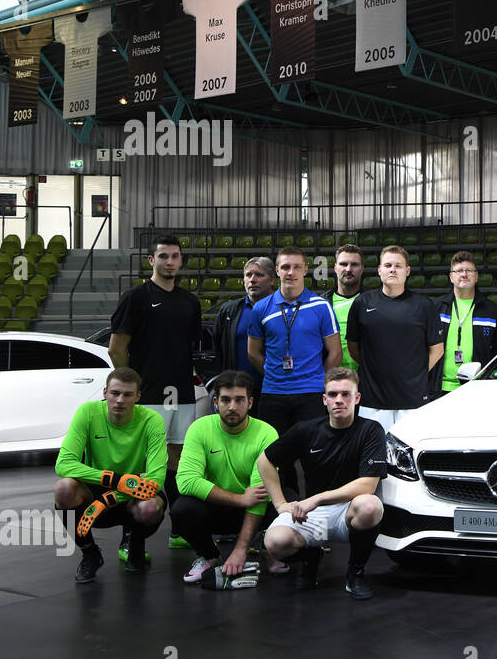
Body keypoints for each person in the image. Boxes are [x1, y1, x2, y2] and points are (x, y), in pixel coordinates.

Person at [257, 368, 388, 599]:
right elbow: (265, 462)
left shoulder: (370, 430)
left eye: (346, 394)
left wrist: (315, 499)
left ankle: (355, 573)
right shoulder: (306, 430)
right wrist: (280, 505)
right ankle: (310, 557)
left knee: (370, 505)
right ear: (324, 399)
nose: (339, 400)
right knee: (274, 542)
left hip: (349, 517)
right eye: (333, 394)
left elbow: (367, 485)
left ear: (357, 398)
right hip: (314, 520)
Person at [109, 233, 201, 555]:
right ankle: (128, 539)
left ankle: (180, 530)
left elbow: (185, 349)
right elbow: (116, 348)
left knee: (178, 462)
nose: (170, 262)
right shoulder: (135, 298)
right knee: (141, 467)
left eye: (175, 256)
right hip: (146, 396)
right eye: (164, 256)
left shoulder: (190, 302)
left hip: (181, 395)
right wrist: (132, 386)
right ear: (152, 260)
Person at [54, 368, 168, 582]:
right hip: (98, 488)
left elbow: (154, 480)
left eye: (127, 395)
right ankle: (90, 553)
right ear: (105, 392)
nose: (120, 400)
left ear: (138, 397)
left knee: (151, 507)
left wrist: (108, 499)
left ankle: (135, 547)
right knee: (63, 489)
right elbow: (63, 464)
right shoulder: (87, 413)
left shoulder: (152, 420)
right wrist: (113, 480)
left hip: (134, 494)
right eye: (115, 393)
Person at [171, 370, 280, 588]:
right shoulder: (200, 429)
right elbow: (186, 481)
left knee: (284, 507)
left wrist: (240, 550)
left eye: (239, 400)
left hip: (254, 508)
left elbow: (259, 494)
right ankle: (210, 556)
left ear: (250, 402)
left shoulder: (266, 433)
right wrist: (240, 499)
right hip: (219, 507)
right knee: (181, 510)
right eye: (226, 400)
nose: (232, 407)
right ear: (215, 402)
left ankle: (268, 548)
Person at [346, 245, 444, 431]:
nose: (392, 269)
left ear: (407, 271)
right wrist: (375, 369)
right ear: (379, 270)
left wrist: (415, 375)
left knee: (410, 456)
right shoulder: (362, 303)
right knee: (375, 457)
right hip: (373, 400)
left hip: (412, 400)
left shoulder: (424, 305)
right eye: (388, 265)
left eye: (398, 266)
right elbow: (353, 348)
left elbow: (437, 350)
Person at [247, 246, 341, 438]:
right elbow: (253, 352)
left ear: (306, 269)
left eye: (297, 267)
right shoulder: (261, 308)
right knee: (274, 455)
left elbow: (335, 352)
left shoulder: (321, 306)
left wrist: (319, 379)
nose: (291, 272)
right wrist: (273, 373)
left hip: (312, 393)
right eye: (286, 267)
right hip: (273, 393)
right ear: (277, 270)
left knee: (313, 454)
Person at [434, 250, 497, 396]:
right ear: (451, 277)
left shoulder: (492, 311)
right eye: (459, 271)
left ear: (477, 276)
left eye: (469, 270)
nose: (464, 274)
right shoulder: (435, 308)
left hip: (476, 390)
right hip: (438, 389)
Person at [213, 256, 275, 394]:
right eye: (248, 275)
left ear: (272, 280)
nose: (253, 279)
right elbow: (219, 348)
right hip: (238, 390)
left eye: (259, 275)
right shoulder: (229, 311)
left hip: (274, 389)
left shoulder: (283, 309)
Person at [322, 244, 364, 370]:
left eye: (354, 264)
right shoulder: (322, 303)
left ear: (362, 268)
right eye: (343, 264)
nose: (348, 269)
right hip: (332, 380)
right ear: (335, 267)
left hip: (366, 380)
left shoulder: (374, 302)